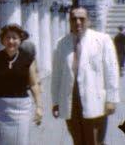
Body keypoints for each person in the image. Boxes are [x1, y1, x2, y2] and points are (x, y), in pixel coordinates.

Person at [51, 7, 120, 145]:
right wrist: (56, 102)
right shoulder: (61, 43)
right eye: (73, 19)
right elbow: (57, 74)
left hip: (94, 99)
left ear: (88, 21)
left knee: (94, 140)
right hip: (71, 100)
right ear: (69, 21)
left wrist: (111, 99)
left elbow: (111, 70)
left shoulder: (102, 40)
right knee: (77, 139)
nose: (77, 22)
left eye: (81, 19)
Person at [0, 24, 43, 145]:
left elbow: (34, 84)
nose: (11, 41)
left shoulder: (28, 59)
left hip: (22, 108)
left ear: (20, 40)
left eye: (14, 38)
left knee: (20, 141)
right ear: (2, 40)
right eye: (7, 38)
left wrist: (39, 107)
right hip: (0, 107)